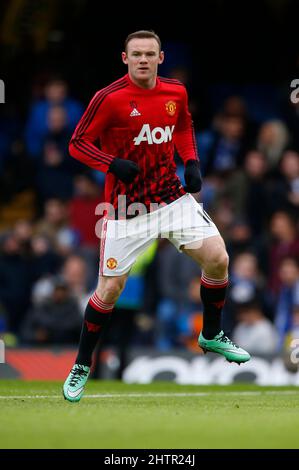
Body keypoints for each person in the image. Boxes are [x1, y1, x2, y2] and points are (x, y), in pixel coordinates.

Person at [63, 30, 250, 402]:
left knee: (218, 258)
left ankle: (211, 333)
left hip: (170, 197)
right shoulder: (109, 98)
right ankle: (82, 364)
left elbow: (182, 126)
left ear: (160, 58)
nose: (144, 59)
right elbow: (77, 143)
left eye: (150, 54)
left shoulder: (175, 92)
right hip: (126, 209)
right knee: (109, 290)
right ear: (125, 58)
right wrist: (111, 162)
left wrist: (191, 161)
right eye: (137, 54)